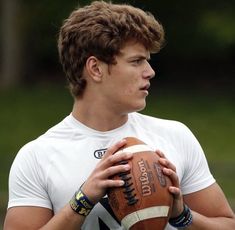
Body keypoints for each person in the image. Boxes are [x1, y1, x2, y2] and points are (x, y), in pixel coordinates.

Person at [4, 1, 235, 229]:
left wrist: (182, 215)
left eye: (147, 61)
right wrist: (82, 201)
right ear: (95, 69)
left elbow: (227, 224)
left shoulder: (175, 136)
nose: (150, 72)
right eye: (136, 61)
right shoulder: (37, 157)